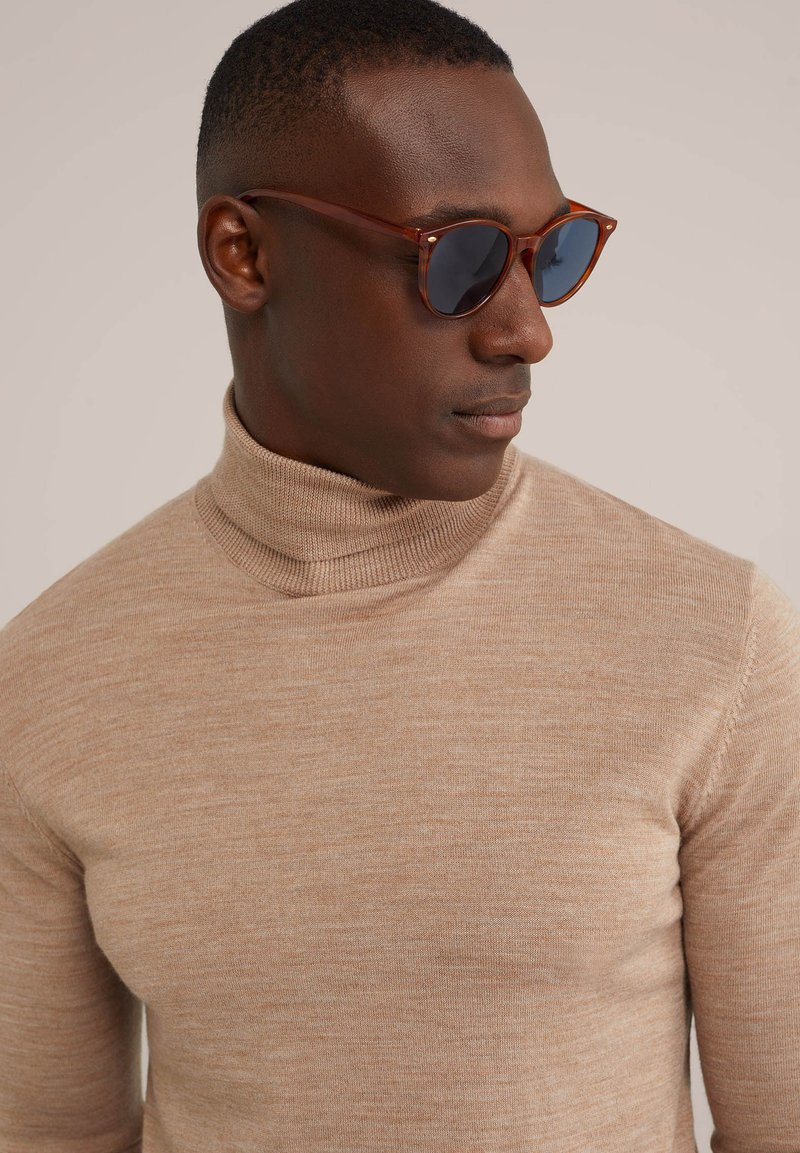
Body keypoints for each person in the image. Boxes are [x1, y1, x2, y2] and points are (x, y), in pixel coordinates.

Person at [1, 0, 798, 1150]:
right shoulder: (49, 679)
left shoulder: (710, 637)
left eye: (550, 253)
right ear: (243, 254)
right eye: (459, 259)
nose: (526, 331)